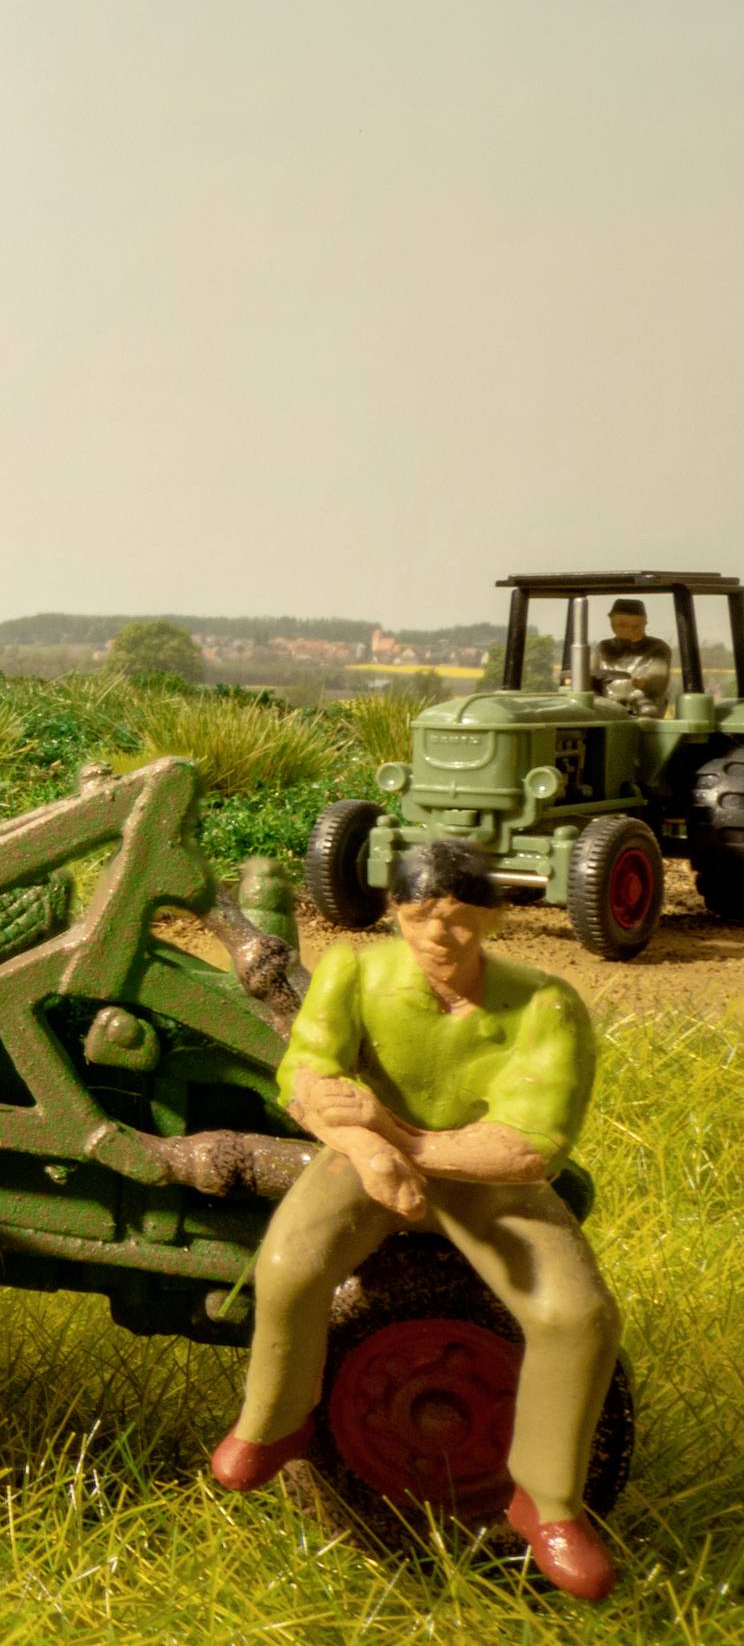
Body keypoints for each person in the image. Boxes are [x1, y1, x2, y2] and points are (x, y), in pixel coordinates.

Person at [208, 838, 622, 1602]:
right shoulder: (354, 972)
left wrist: (400, 1137)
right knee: (289, 1266)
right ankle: (276, 1419)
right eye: (421, 914)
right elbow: (308, 1079)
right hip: (362, 1167)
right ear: (395, 913)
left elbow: (530, 1149)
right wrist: (365, 1149)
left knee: (579, 1314)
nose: (440, 934)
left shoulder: (545, 1004)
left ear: (495, 917)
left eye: (462, 917)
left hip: (486, 1185)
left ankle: (549, 1502)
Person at [589, 598, 675, 719]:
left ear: (644, 624)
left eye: (635, 626)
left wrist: (645, 681)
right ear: (612, 623)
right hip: (607, 701)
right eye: (622, 625)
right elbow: (591, 673)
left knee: (647, 711)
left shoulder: (657, 648)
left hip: (642, 699)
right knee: (585, 710)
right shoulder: (603, 648)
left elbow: (659, 674)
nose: (628, 629)